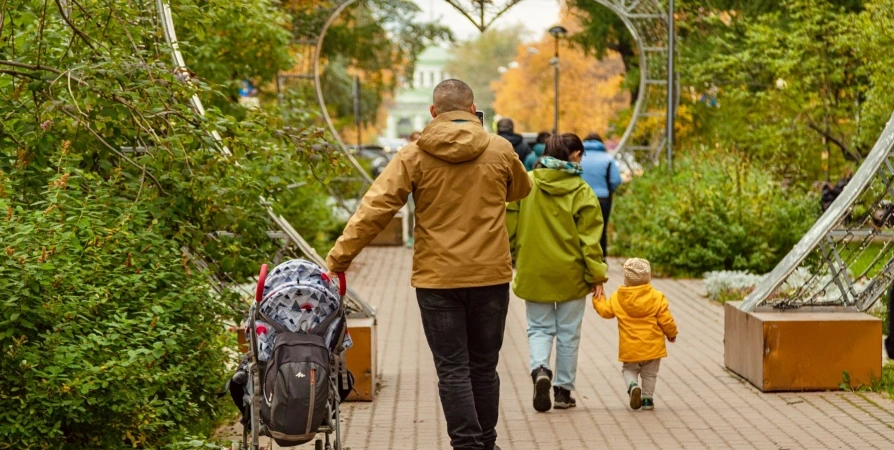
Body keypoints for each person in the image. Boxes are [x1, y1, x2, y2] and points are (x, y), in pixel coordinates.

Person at [327, 79, 532, 450]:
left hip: (437, 281)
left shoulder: (413, 155)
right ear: (473, 110)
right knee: (484, 367)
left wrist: (339, 259)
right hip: (490, 277)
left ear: (433, 113)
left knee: (453, 368)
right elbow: (520, 190)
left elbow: (375, 209)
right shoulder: (500, 149)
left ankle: (468, 445)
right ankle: (486, 443)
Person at [506, 133, 608, 412]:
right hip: (571, 274)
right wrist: (597, 275)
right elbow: (590, 240)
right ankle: (563, 392)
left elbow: (509, 223)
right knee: (568, 333)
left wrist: (514, 255)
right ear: (574, 156)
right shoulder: (582, 191)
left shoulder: (526, 182)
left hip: (534, 269)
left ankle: (540, 370)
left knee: (538, 328)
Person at [593, 258, 678, 411]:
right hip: (652, 348)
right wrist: (671, 333)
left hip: (630, 348)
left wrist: (598, 298)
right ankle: (647, 400)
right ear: (648, 276)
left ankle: (632, 386)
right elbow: (666, 320)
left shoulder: (618, 297)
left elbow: (605, 311)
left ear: (626, 278)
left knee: (629, 370)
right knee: (650, 375)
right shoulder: (657, 297)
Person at [579, 133, 622, 260]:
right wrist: (608, 190)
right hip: (603, 198)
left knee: (582, 228)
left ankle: (583, 257)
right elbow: (616, 179)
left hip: (581, 197)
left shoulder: (579, 157)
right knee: (601, 228)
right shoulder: (607, 159)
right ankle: (601, 257)